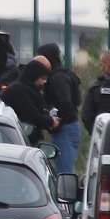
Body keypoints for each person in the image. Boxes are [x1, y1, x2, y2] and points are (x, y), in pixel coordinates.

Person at [37, 43, 81, 173]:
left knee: (63, 172)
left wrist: (56, 121)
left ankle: (64, 193)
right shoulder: (64, 74)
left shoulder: (57, 77)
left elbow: (65, 102)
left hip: (64, 128)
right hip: (68, 126)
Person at [0, 57, 59, 146]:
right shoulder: (18, 90)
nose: (44, 82)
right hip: (20, 138)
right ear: (34, 76)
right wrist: (50, 121)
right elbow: (31, 115)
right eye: (42, 78)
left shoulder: (29, 90)